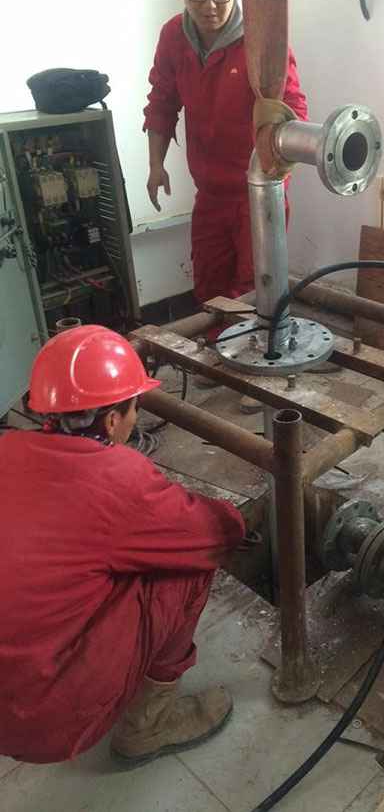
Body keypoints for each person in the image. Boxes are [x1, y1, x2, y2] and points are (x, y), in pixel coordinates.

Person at [0, 326, 246, 767]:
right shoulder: (115, 478)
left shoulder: (7, 449)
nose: (135, 419)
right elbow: (214, 532)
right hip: (41, 720)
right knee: (187, 568)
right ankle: (147, 728)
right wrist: (237, 517)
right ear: (112, 420)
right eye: (135, 408)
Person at [144, 0, 308, 314]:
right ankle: (216, 352)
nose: (210, 6)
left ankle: (255, 350)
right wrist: (156, 165)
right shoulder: (173, 37)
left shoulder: (262, 39)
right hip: (210, 195)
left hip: (258, 194)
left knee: (255, 293)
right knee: (209, 291)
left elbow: (293, 110)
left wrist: (275, 173)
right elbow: (161, 103)